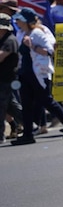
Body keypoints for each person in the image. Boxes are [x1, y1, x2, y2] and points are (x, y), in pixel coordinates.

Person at [11, 8, 63, 145]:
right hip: (25, 73)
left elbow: (49, 51)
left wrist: (32, 46)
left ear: (27, 21)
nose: (17, 22)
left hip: (39, 72)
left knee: (46, 100)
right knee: (26, 104)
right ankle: (28, 134)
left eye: (20, 19)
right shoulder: (21, 33)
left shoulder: (38, 33)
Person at [0, 13, 22, 143]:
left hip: (7, 79)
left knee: (2, 107)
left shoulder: (10, 40)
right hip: (2, 79)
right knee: (12, 107)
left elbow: (1, 56)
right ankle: (31, 124)